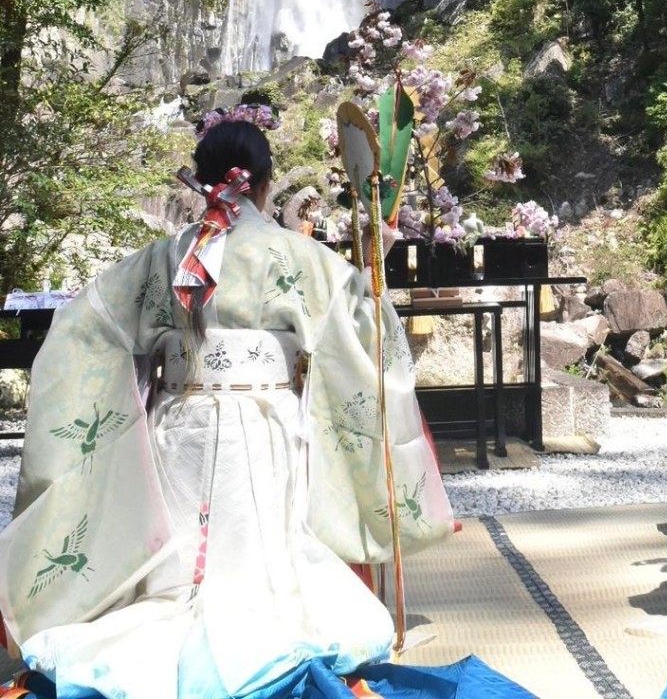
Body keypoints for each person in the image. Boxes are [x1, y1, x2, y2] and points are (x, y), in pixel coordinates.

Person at [0, 113, 454, 699]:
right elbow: (362, 331)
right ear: (265, 184)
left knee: (185, 559)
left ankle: (171, 627)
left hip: (180, 420)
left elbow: (86, 325)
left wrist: (128, 389)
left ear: (201, 179)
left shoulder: (165, 258)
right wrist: (373, 278)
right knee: (263, 549)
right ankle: (258, 635)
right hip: (265, 422)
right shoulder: (296, 255)